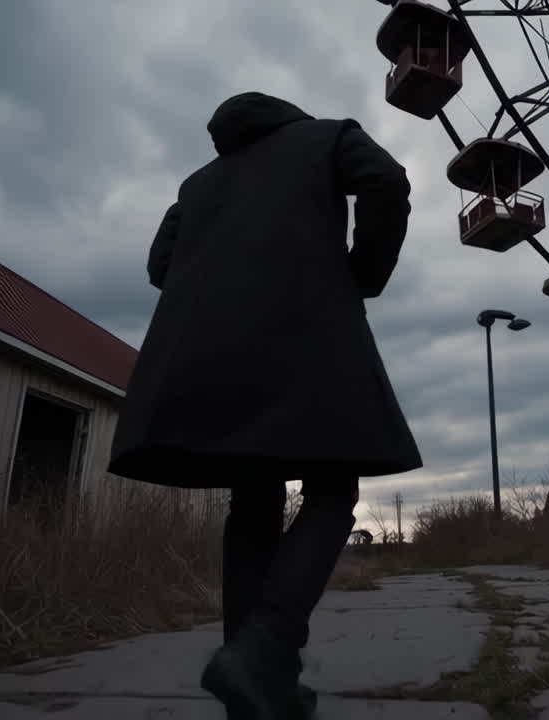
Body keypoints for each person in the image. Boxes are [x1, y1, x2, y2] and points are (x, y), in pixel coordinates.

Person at [107, 91, 423, 719]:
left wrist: (222, 284)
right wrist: (362, 275)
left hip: (212, 353)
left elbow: (157, 264)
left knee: (254, 499)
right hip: (306, 334)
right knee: (333, 489)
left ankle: (252, 678)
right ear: (289, 115)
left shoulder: (197, 184)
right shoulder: (328, 138)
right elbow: (386, 179)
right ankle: (266, 647)